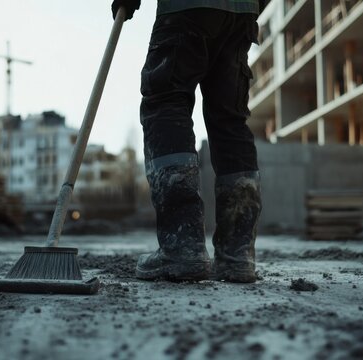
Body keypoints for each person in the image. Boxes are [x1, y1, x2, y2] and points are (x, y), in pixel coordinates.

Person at [112, 0, 263, 283]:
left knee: (166, 103)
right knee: (230, 119)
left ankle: (182, 247)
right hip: (242, 12)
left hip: (186, 7)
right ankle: (236, 256)